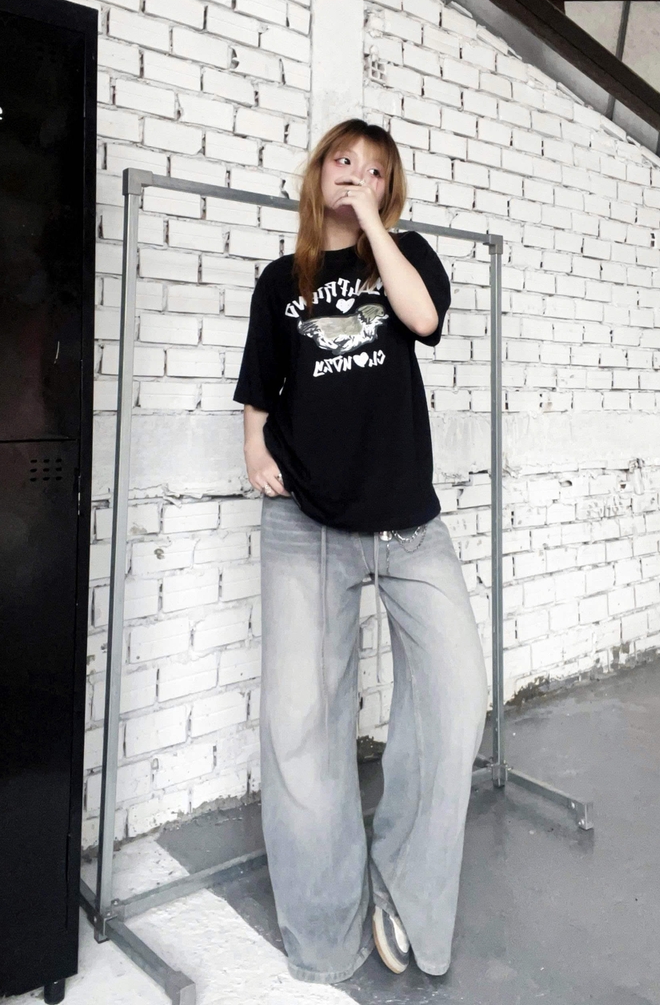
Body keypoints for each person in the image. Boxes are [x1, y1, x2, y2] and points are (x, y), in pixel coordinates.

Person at [233, 118, 489, 984]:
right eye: (343, 161)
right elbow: (260, 382)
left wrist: (374, 224)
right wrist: (253, 447)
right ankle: (323, 933)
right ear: (318, 172)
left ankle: (403, 893)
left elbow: (422, 318)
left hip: (407, 526)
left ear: (388, 187)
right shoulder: (281, 281)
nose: (355, 175)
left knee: (455, 698)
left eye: (374, 170)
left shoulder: (403, 256)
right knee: (303, 729)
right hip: (304, 526)